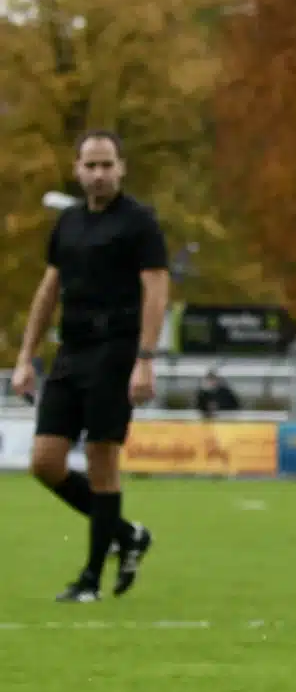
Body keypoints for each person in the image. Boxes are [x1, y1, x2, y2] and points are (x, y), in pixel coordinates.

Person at [10, 132, 165, 602]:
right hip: (71, 352)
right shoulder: (69, 224)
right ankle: (126, 535)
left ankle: (90, 581)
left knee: (102, 463)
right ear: (77, 170)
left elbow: (156, 289)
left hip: (115, 352)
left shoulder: (139, 223)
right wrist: (25, 357)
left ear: (121, 168)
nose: (99, 174)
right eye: (90, 165)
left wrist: (145, 359)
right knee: (45, 462)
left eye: (107, 165)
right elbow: (48, 290)